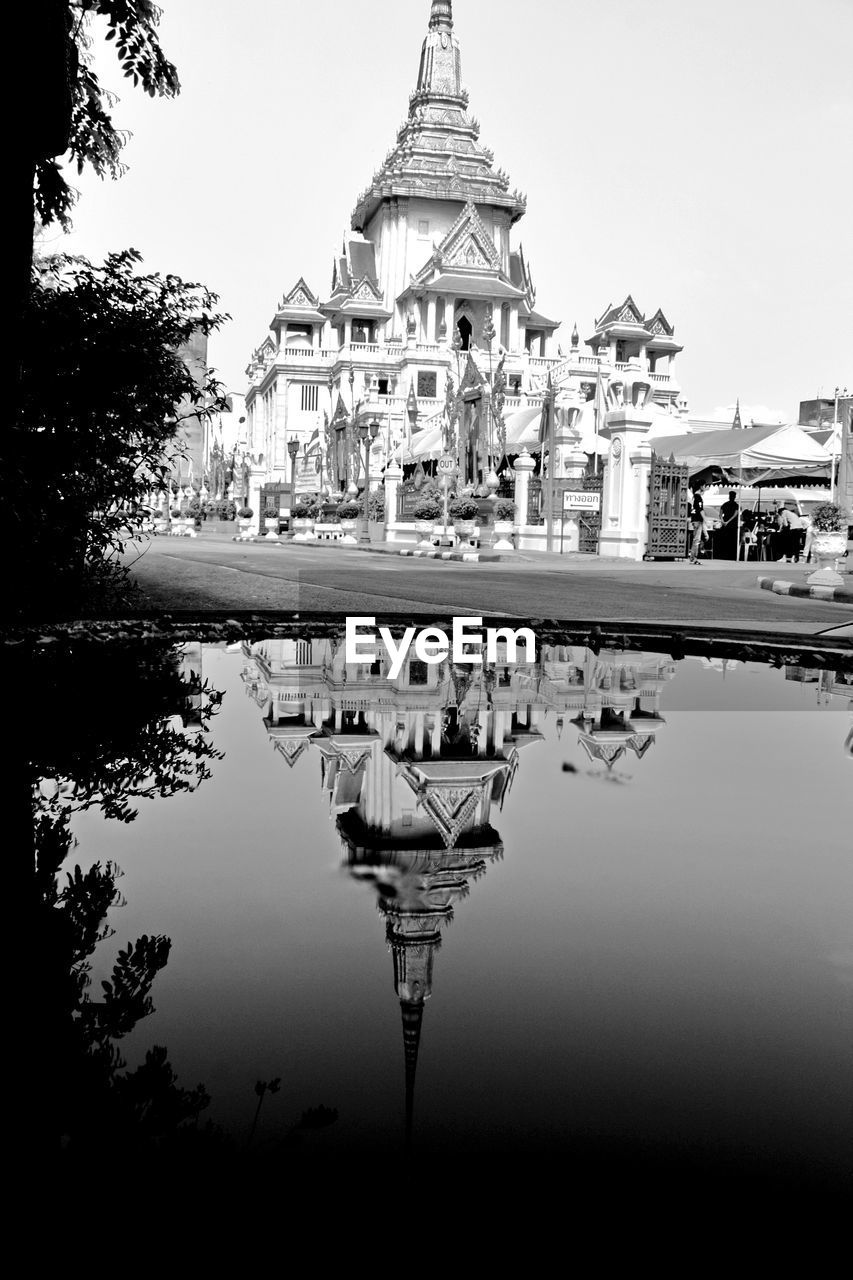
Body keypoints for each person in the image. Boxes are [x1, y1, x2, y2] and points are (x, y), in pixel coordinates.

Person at [719, 489, 740, 559]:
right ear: (734, 497)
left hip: (726, 525)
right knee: (733, 541)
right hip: (733, 526)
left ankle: (725, 555)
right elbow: (735, 515)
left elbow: (720, 514)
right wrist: (727, 522)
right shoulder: (736, 505)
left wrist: (723, 521)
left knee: (725, 541)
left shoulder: (725, 504)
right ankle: (732, 556)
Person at [689, 488, 706, 564]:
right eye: (705, 486)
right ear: (701, 486)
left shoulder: (693, 497)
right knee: (697, 540)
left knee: (695, 540)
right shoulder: (698, 497)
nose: (705, 488)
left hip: (694, 519)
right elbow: (700, 509)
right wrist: (705, 519)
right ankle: (694, 558)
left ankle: (692, 558)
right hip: (698, 520)